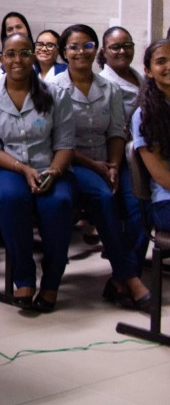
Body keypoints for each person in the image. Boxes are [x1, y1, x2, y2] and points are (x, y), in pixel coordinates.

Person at [0, 32, 75, 312]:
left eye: (25, 53)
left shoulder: (57, 94)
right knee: (13, 199)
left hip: (50, 167)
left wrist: (54, 171)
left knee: (59, 203)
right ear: (1, 58)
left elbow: (65, 144)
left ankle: (52, 282)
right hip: (7, 168)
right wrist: (23, 168)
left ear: (34, 56)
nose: (18, 60)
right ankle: (24, 277)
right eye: (11, 54)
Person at [50, 24, 150, 310]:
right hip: (73, 161)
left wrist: (114, 165)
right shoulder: (52, 88)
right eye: (73, 47)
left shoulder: (110, 88)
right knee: (105, 197)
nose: (81, 52)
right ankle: (130, 278)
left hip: (110, 159)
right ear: (64, 52)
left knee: (139, 204)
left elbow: (117, 131)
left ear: (96, 50)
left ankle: (119, 280)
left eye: (87, 46)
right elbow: (56, 140)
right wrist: (97, 166)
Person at [133, 39, 170, 242]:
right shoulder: (144, 116)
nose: (169, 66)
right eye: (161, 61)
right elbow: (162, 177)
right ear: (148, 71)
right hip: (166, 201)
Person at [99, 26, 142, 122]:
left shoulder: (142, 77)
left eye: (127, 46)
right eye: (115, 47)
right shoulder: (102, 84)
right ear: (104, 52)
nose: (122, 51)